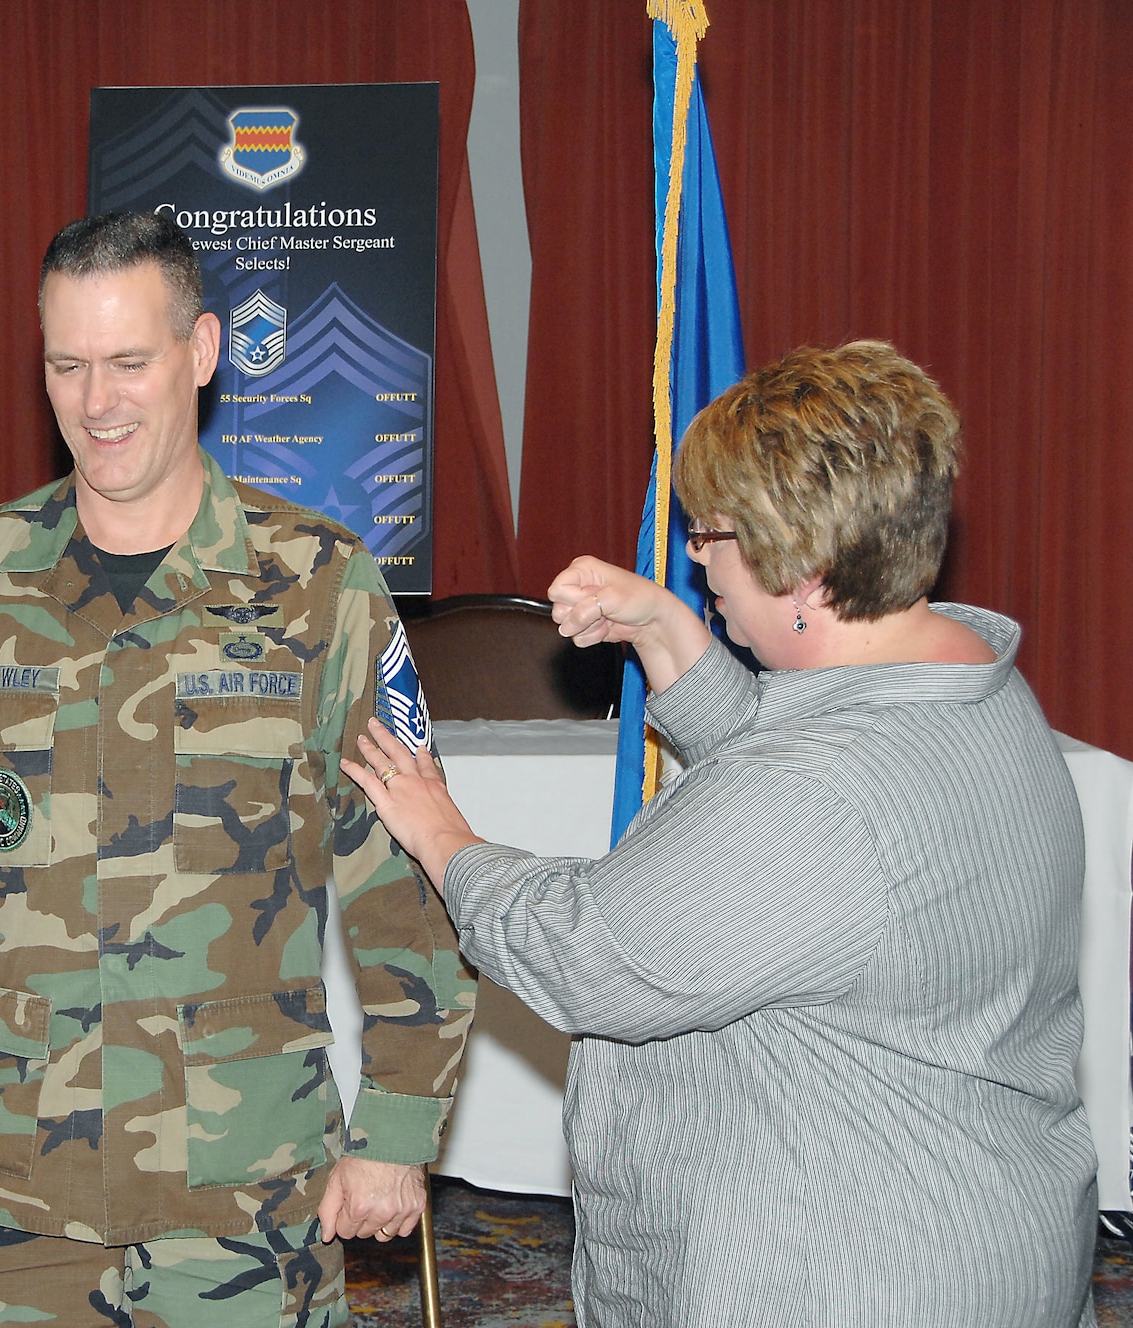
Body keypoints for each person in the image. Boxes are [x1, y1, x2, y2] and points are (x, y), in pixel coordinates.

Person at [0, 211, 476, 1327]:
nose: (95, 401)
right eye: (66, 365)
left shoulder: (316, 585)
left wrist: (396, 1127)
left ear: (202, 352)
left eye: (127, 362)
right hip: (17, 1187)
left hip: (245, 1193)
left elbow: (402, 870)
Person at [344, 341, 1097, 1326]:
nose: (696, 561)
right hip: (985, 1240)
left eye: (710, 538)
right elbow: (809, 832)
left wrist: (445, 834)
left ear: (802, 568)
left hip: (843, 1280)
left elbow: (582, 953)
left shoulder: (817, 794)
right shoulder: (973, 687)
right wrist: (671, 636)